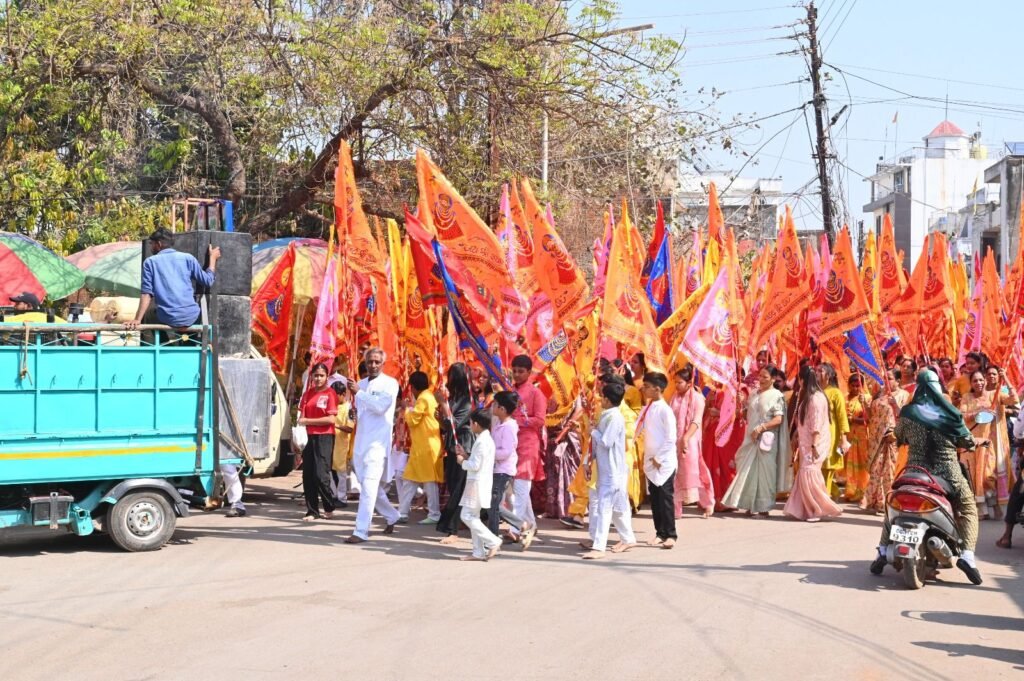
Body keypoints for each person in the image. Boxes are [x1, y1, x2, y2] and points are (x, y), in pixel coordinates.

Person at [870, 369, 983, 585]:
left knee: (892, 509)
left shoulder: (909, 413)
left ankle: (882, 550)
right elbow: (966, 441)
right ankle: (967, 556)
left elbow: (900, 437)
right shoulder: (950, 414)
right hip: (947, 473)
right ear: (938, 386)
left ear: (918, 387)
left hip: (915, 471)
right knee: (968, 507)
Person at [344, 348, 402, 543]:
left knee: (368, 488)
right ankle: (392, 515)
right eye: (370, 362)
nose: (373, 365)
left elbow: (379, 407)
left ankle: (361, 531)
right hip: (361, 444)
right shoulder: (359, 384)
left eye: (377, 362)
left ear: (383, 364)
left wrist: (359, 394)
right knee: (370, 488)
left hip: (378, 445)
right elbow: (362, 413)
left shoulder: (390, 384)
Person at [720, 364, 790, 517]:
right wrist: (740, 407)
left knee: (765, 473)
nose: (762, 379)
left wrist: (761, 428)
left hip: (766, 440)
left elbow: (778, 419)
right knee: (748, 471)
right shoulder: (753, 394)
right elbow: (748, 414)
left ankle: (764, 506)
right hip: (750, 438)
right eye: (760, 376)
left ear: (773, 379)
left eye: (765, 377)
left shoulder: (777, 396)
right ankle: (750, 504)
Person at [580, 381, 637, 559]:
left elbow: (606, 442)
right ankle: (628, 538)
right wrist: (588, 462)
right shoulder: (605, 415)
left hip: (613, 471)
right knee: (618, 508)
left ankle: (599, 547)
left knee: (604, 508)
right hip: (607, 469)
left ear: (608, 399)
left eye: (602, 397)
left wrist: (592, 432)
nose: (600, 399)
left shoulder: (615, 418)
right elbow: (597, 445)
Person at [126, 228, 220, 331]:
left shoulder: (150, 262)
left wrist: (137, 320)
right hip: (192, 316)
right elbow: (208, 281)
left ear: (159, 244)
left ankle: (162, 346)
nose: (151, 247)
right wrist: (212, 259)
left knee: (149, 315)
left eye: (151, 244)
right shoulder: (188, 258)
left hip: (168, 318)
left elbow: (146, 294)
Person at [784, 365, 843, 522]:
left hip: (814, 443)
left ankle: (818, 509)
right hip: (807, 442)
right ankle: (801, 509)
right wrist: (797, 434)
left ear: (802, 380)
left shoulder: (816, 399)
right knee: (805, 474)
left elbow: (816, 424)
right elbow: (806, 421)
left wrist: (814, 445)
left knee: (809, 473)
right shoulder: (810, 397)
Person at [959, 367, 1018, 519]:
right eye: (975, 381)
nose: (978, 383)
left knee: (987, 475)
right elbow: (961, 416)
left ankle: (995, 505)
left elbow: (1014, 400)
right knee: (973, 476)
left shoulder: (994, 395)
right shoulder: (967, 397)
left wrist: (1005, 379)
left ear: (985, 381)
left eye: (980, 380)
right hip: (971, 442)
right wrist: (978, 413)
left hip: (987, 443)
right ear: (971, 383)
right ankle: (982, 510)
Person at [860, 369, 910, 514]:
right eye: (885, 378)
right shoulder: (880, 394)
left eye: (890, 378)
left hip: (892, 439)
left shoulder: (903, 396)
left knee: (890, 471)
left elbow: (906, 418)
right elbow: (871, 416)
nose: (886, 381)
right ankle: (874, 501)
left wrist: (895, 433)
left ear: (898, 381)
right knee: (876, 469)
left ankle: (888, 502)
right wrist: (864, 405)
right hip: (876, 438)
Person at [455, 410, 502, 561]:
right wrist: (465, 455)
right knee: (473, 516)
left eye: (471, 423)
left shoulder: (483, 441)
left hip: (477, 484)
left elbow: (475, 465)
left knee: (466, 515)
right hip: (478, 482)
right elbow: (477, 461)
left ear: (475, 424)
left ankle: (493, 541)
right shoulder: (484, 439)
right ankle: (478, 552)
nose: (470, 425)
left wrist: (462, 462)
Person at [489, 390, 534, 547]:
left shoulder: (508, 427)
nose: (492, 407)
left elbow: (506, 451)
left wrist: (489, 453)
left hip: (503, 470)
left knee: (493, 505)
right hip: (497, 468)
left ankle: (492, 539)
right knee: (492, 504)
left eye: (495, 404)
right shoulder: (499, 424)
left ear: (502, 409)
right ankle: (521, 525)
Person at [638, 372, 678, 548]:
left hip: (663, 462)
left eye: (646, 386)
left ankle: (671, 534)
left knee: (665, 499)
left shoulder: (665, 410)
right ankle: (659, 533)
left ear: (657, 388)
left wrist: (659, 458)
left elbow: (671, 437)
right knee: (654, 499)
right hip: (650, 460)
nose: (643, 389)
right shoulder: (647, 408)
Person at [510, 355, 547, 542]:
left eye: (520, 371)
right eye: (514, 371)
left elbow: (540, 420)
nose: (516, 374)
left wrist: (517, 421)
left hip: (528, 445)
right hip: (511, 444)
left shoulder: (535, 394)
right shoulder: (509, 391)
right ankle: (530, 524)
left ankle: (515, 527)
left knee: (521, 485)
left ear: (529, 372)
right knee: (517, 487)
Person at [437, 363, 474, 544]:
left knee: (458, 487)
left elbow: (456, 424)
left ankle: (452, 530)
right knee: (453, 484)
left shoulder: (468, 400)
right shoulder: (455, 398)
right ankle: (461, 522)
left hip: (463, 445)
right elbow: (446, 427)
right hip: (452, 445)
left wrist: (443, 404)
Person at [400, 371, 443, 524]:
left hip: (426, 446)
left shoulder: (423, 398)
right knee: (410, 479)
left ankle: (434, 513)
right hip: (422, 446)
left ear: (413, 387)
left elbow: (412, 421)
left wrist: (406, 409)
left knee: (429, 481)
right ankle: (402, 512)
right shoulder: (428, 396)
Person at [671, 365, 714, 518]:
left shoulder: (698, 398)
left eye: (679, 383)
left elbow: (696, 421)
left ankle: (708, 503)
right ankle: (676, 510)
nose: (676, 385)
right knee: (674, 474)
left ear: (689, 383)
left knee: (695, 473)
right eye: (675, 382)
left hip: (691, 441)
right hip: (674, 440)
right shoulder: (674, 398)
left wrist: (685, 438)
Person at [297, 363, 338, 521]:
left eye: (321, 375)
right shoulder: (307, 394)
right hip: (308, 437)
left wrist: (308, 420)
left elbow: (331, 419)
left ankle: (329, 506)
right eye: (316, 375)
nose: (318, 378)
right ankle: (312, 510)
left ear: (327, 377)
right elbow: (300, 418)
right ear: (311, 376)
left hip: (325, 437)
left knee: (321, 474)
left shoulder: (330, 394)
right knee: (308, 475)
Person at [818, 363, 850, 500]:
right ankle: (834, 492)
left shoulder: (836, 393)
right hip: (817, 435)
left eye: (821, 371)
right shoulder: (816, 391)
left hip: (831, 435)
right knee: (818, 468)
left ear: (829, 375)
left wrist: (843, 440)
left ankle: (824, 498)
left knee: (827, 467)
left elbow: (842, 417)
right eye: (816, 370)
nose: (817, 373)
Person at [842, 373, 873, 502]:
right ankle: (851, 490)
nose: (855, 388)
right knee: (850, 463)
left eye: (858, 386)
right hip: (849, 435)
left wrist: (853, 419)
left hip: (862, 435)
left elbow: (869, 418)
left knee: (862, 463)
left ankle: (863, 490)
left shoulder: (866, 398)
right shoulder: (846, 398)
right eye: (853, 385)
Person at [330, 382, 354, 508]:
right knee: (331, 471)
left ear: (343, 394)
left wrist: (336, 426)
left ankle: (342, 498)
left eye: (336, 395)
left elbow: (350, 428)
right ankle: (334, 495)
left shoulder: (348, 408)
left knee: (341, 473)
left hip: (342, 445)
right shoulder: (332, 406)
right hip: (331, 443)